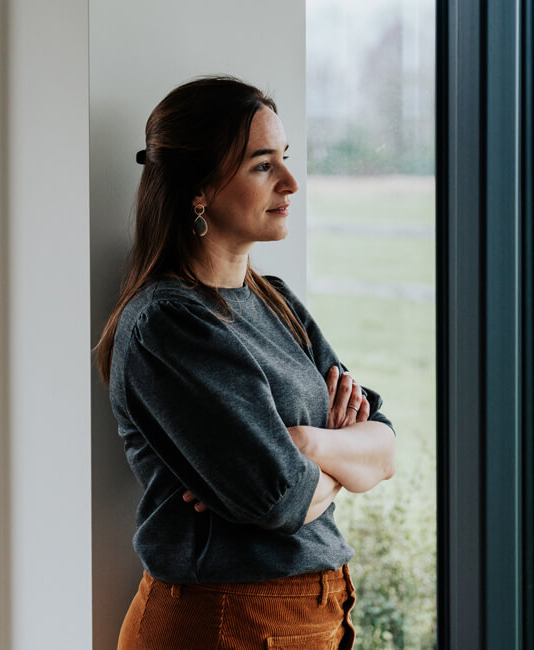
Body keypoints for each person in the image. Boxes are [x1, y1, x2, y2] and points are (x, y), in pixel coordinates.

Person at [96, 76, 396, 650]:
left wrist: (305, 446)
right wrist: (326, 461)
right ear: (199, 189)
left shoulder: (276, 301)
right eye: (263, 166)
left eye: (284, 158)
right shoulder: (170, 323)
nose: (291, 182)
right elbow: (278, 501)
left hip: (309, 614)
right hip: (226, 621)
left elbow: (382, 449)